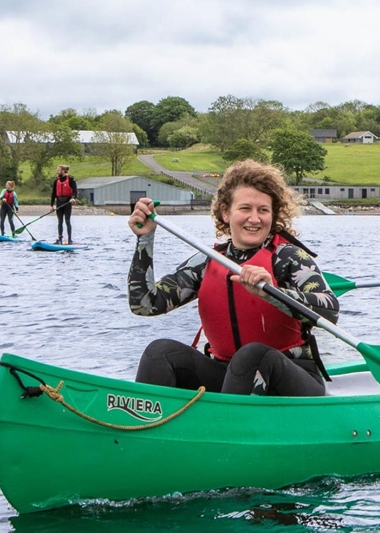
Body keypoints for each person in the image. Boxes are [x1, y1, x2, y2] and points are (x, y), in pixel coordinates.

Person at [127, 159, 339, 396]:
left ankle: (227, 428)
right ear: (226, 213)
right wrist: (145, 241)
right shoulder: (207, 262)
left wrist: (273, 293)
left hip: (290, 378)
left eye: (263, 210)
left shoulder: (289, 258)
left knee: (252, 355)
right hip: (228, 375)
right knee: (160, 352)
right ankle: (145, 425)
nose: (255, 219)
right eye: (245, 208)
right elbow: (144, 305)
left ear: (273, 215)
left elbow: (331, 311)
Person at [49, 164, 77, 244]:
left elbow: (75, 190)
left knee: (67, 221)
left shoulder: (71, 179)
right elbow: (53, 194)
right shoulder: (56, 181)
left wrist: (73, 198)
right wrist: (51, 206)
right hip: (59, 202)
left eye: (58, 170)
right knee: (60, 221)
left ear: (63, 171)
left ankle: (69, 240)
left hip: (67, 202)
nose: (57, 171)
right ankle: (60, 239)